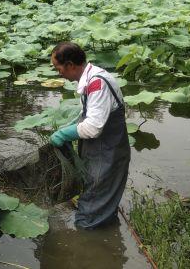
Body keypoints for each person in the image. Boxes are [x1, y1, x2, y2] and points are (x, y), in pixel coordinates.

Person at [49, 42, 130, 229]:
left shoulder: (97, 83)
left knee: (91, 207)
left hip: (107, 153)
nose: (58, 72)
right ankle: (106, 228)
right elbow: (90, 114)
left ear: (70, 65)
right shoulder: (91, 78)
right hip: (99, 150)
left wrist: (64, 134)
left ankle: (89, 244)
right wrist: (70, 126)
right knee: (99, 199)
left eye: (58, 67)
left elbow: (93, 127)